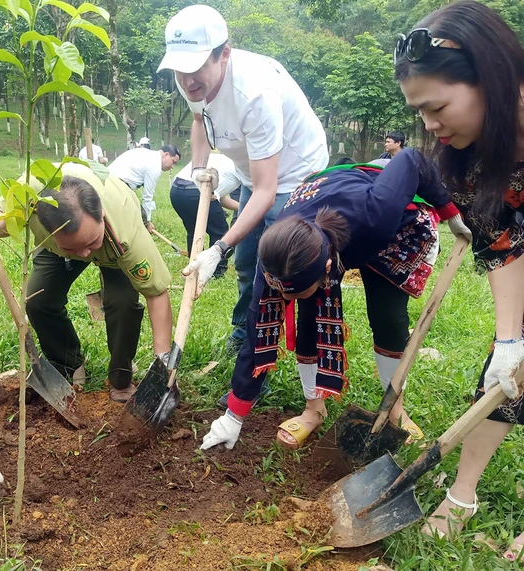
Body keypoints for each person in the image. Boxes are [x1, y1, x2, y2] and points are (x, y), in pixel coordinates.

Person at [199, 149, 466, 451]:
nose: (285, 298)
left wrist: (450, 211)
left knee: (387, 316)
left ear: (328, 269)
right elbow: (255, 335)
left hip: (382, 217)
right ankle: (314, 410)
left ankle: (395, 410)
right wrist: (233, 417)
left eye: (294, 293)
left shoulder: (375, 216)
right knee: (309, 318)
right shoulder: (276, 255)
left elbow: (411, 160)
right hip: (318, 202)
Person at [394, 1, 524, 561]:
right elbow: (502, 246)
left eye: (437, 106)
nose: (429, 124)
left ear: (488, 80)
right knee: (503, 379)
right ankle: (461, 494)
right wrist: (509, 339)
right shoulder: (466, 158)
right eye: (419, 111)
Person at [157, 5, 329, 355]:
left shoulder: (255, 94)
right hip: (255, 171)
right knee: (246, 261)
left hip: (295, 177)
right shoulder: (188, 80)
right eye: (179, 69)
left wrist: (218, 249)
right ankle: (242, 333)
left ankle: (257, 353)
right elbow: (198, 121)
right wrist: (198, 170)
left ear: (224, 55)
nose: (187, 80)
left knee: (271, 270)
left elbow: (267, 192)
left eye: (195, 68)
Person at [0, 163, 173, 402]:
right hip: (56, 250)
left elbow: (156, 294)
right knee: (39, 299)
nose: (84, 254)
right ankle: (68, 363)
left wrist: (163, 361)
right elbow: (2, 222)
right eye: (74, 247)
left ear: (101, 216)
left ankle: (121, 378)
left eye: (90, 243)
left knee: (123, 305)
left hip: (113, 249)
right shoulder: (28, 195)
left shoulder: (127, 234)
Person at [170, 153, 241, 277]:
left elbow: (220, 197)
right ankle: (217, 271)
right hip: (197, 190)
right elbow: (212, 195)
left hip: (176, 191)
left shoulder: (220, 160)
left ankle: (194, 266)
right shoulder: (240, 166)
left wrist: (245, 209)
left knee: (193, 230)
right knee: (220, 232)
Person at [108, 144, 181, 232]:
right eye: (173, 161)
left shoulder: (148, 154)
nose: (172, 166)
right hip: (116, 185)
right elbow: (147, 197)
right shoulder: (155, 166)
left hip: (108, 180)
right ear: (165, 155)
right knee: (134, 216)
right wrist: (147, 222)